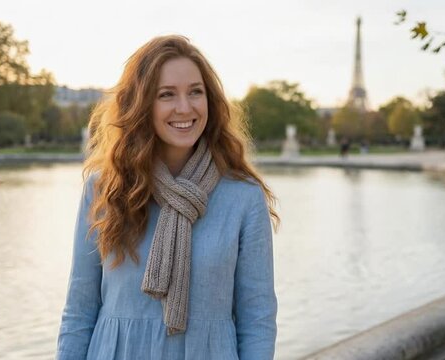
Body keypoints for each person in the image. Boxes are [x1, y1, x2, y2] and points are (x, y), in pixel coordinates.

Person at [57, 35, 279, 360]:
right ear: (142, 104)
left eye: (195, 92)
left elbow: (257, 319)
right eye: (166, 95)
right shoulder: (104, 188)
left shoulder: (243, 197)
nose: (184, 107)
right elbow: (79, 310)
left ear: (210, 101)